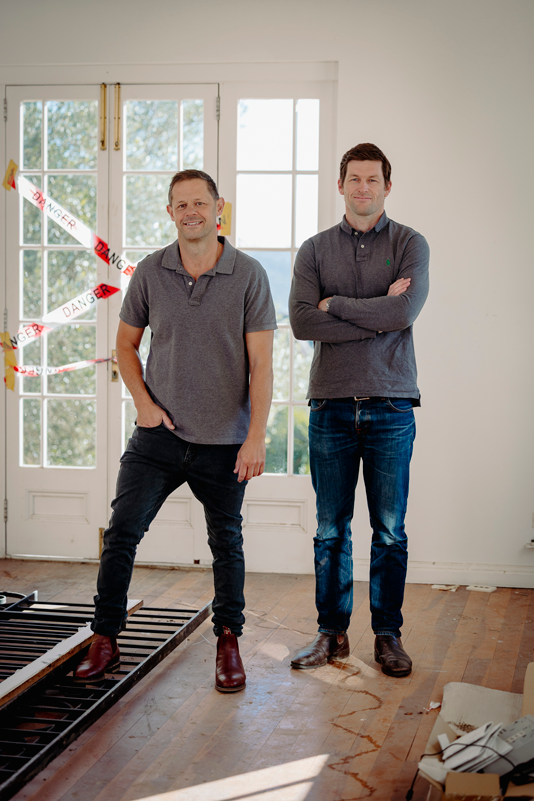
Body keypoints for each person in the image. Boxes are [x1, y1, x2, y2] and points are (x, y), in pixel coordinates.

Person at [75, 170, 276, 693]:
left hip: (225, 441)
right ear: (170, 212)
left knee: (226, 543)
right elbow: (125, 346)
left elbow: (262, 366)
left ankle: (228, 639)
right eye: (181, 204)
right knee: (121, 534)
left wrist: (255, 436)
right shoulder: (149, 272)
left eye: (200, 203)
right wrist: (142, 404)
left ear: (218, 208)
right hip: (159, 437)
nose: (191, 212)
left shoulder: (250, 275)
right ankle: (105, 638)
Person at [288, 143, 429, 678]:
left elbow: (405, 311)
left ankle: (387, 636)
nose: (363, 188)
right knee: (331, 529)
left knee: (389, 529)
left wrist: (337, 305)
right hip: (329, 405)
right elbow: (303, 322)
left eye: (373, 180)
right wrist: (378, 313)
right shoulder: (315, 249)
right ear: (341, 184)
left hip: (392, 403)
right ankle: (332, 634)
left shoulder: (410, 243)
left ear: (387, 187)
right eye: (354, 179)